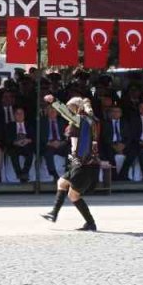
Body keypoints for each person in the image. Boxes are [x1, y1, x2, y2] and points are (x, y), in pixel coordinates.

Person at [41, 95, 100, 231]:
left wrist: (54, 101)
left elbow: (65, 113)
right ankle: (54, 213)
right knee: (62, 183)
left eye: (71, 108)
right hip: (77, 162)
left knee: (73, 195)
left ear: (77, 108)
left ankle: (90, 223)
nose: (69, 110)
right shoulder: (88, 120)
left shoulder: (81, 120)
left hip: (82, 164)